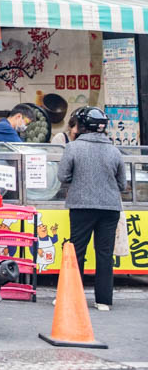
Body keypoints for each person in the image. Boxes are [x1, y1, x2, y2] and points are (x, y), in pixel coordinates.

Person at [59, 106, 127, 311]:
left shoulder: (73, 148)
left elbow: (63, 176)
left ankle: (73, 296)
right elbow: (122, 184)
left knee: (77, 251)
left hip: (81, 205)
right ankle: (103, 300)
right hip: (110, 207)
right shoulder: (114, 150)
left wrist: (79, 181)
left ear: (81, 126)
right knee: (105, 253)